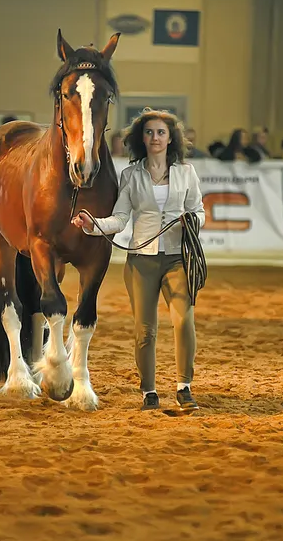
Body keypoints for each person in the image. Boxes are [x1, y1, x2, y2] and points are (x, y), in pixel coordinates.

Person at [71, 108, 205, 412]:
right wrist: (93, 224)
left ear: (171, 138)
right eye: (149, 132)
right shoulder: (131, 174)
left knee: (183, 321)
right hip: (141, 261)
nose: (155, 138)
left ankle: (184, 387)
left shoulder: (187, 172)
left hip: (177, 259)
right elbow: (120, 218)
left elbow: (199, 210)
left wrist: (192, 221)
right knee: (145, 330)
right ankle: (149, 391)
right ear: (141, 138)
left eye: (160, 132)